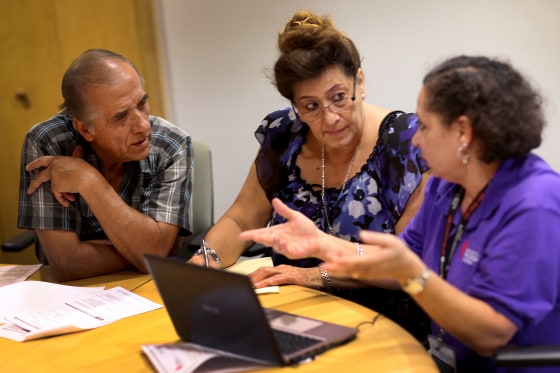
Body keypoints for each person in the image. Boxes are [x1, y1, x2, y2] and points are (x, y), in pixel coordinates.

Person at [240, 55, 560, 372]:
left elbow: (492, 333)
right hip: (443, 358)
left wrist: (413, 275)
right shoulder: (447, 187)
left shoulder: (534, 202)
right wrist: (322, 244)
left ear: (463, 133)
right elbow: (397, 261)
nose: (416, 139)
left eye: (425, 125)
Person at [189, 10, 430, 341]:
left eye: (339, 98)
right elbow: (242, 222)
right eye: (311, 106)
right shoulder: (285, 135)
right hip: (294, 314)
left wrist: (318, 276)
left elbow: (409, 266)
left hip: (386, 325)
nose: (330, 118)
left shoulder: (408, 144)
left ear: (360, 81)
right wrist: (205, 262)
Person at [18, 49, 193, 281]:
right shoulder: (48, 143)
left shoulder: (171, 143)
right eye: (121, 117)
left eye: (142, 104)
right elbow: (67, 264)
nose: (143, 126)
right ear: (85, 129)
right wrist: (145, 251)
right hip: (73, 294)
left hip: (147, 287)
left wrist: (90, 182)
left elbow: (154, 252)